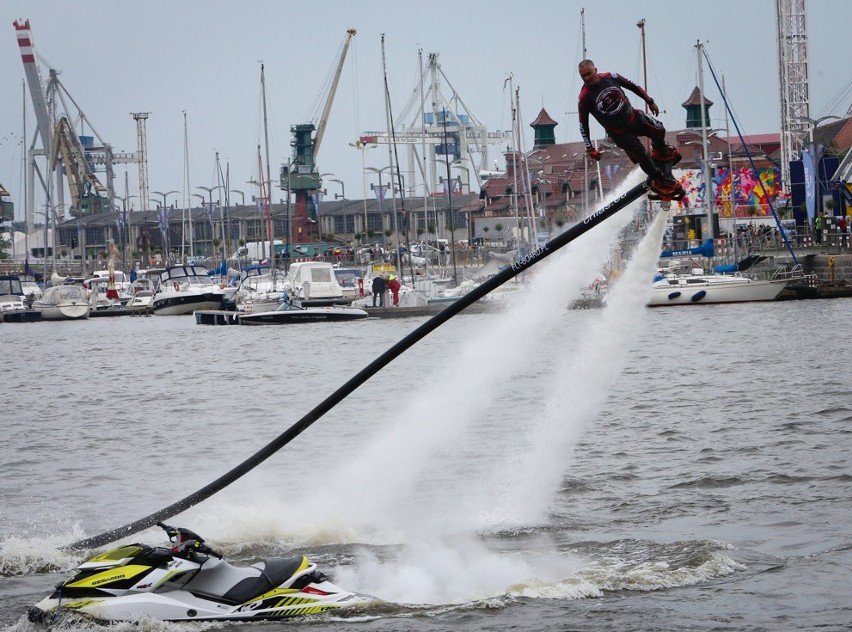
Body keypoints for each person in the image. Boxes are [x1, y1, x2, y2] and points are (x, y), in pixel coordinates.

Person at [577, 59, 680, 195]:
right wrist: (590, 148)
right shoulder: (584, 97)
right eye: (583, 76)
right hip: (620, 133)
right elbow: (583, 124)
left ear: (595, 70)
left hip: (634, 117)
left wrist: (650, 101)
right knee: (641, 154)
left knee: (659, 130)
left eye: (589, 74)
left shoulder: (610, 77)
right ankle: (659, 180)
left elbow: (632, 86)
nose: (587, 78)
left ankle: (660, 151)